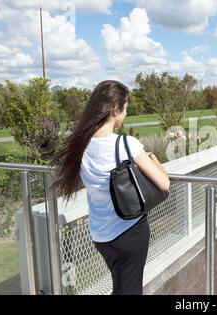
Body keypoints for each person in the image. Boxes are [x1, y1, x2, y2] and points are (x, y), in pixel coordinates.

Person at [51, 80, 170, 295]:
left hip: (101, 236)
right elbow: (164, 183)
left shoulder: (80, 144)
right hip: (129, 232)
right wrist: (153, 158)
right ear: (115, 110)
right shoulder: (126, 144)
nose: (125, 115)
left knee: (122, 287)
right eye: (125, 110)